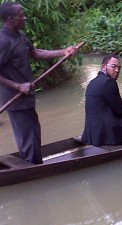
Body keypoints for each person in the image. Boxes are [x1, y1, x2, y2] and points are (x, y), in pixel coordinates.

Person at [0, 2, 79, 164]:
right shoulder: (3, 41)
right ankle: (32, 171)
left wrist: (64, 52)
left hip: (27, 96)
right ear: (10, 19)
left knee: (33, 134)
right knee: (28, 139)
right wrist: (18, 86)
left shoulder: (20, 35)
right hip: (15, 99)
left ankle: (35, 165)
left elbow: (35, 53)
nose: (25, 17)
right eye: (21, 15)